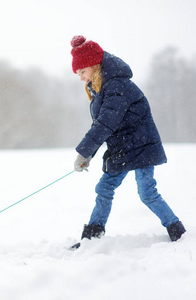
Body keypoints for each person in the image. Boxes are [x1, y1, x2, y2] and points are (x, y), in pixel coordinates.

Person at [69, 35, 186, 249]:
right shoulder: (101, 88)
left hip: (142, 146)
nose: (81, 78)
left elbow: (106, 122)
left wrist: (84, 152)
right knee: (104, 188)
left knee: (147, 193)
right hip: (122, 148)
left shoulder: (117, 86)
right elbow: (103, 126)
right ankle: (93, 235)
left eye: (82, 72)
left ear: (94, 66)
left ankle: (177, 230)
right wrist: (89, 154)